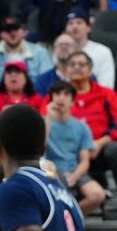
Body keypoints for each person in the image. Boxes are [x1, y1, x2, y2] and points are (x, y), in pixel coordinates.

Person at [64, 50, 117, 218]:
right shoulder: (58, 96)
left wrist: (100, 142)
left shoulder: (106, 94)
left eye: (82, 64)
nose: (77, 68)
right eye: (72, 65)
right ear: (66, 70)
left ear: (90, 70)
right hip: (70, 153)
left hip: (99, 149)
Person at [44, 81, 106, 215]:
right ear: (51, 98)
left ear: (72, 102)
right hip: (49, 170)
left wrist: (75, 176)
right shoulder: (43, 123)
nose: (61, 97)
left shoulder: (81, 127)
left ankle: (71, 216)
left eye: (66, 94)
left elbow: (85, 160)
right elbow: (39, 148)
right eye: (57, 93)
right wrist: (48, 117)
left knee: (98, 194)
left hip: (74, 170)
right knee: (51, 178)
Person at [0, 16, 54, 93]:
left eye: (16, 29)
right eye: (8, 30)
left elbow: (48, 82)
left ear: (24, 32)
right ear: (2, 34)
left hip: (33, 100)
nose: (12, 33)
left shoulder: (40, 52)